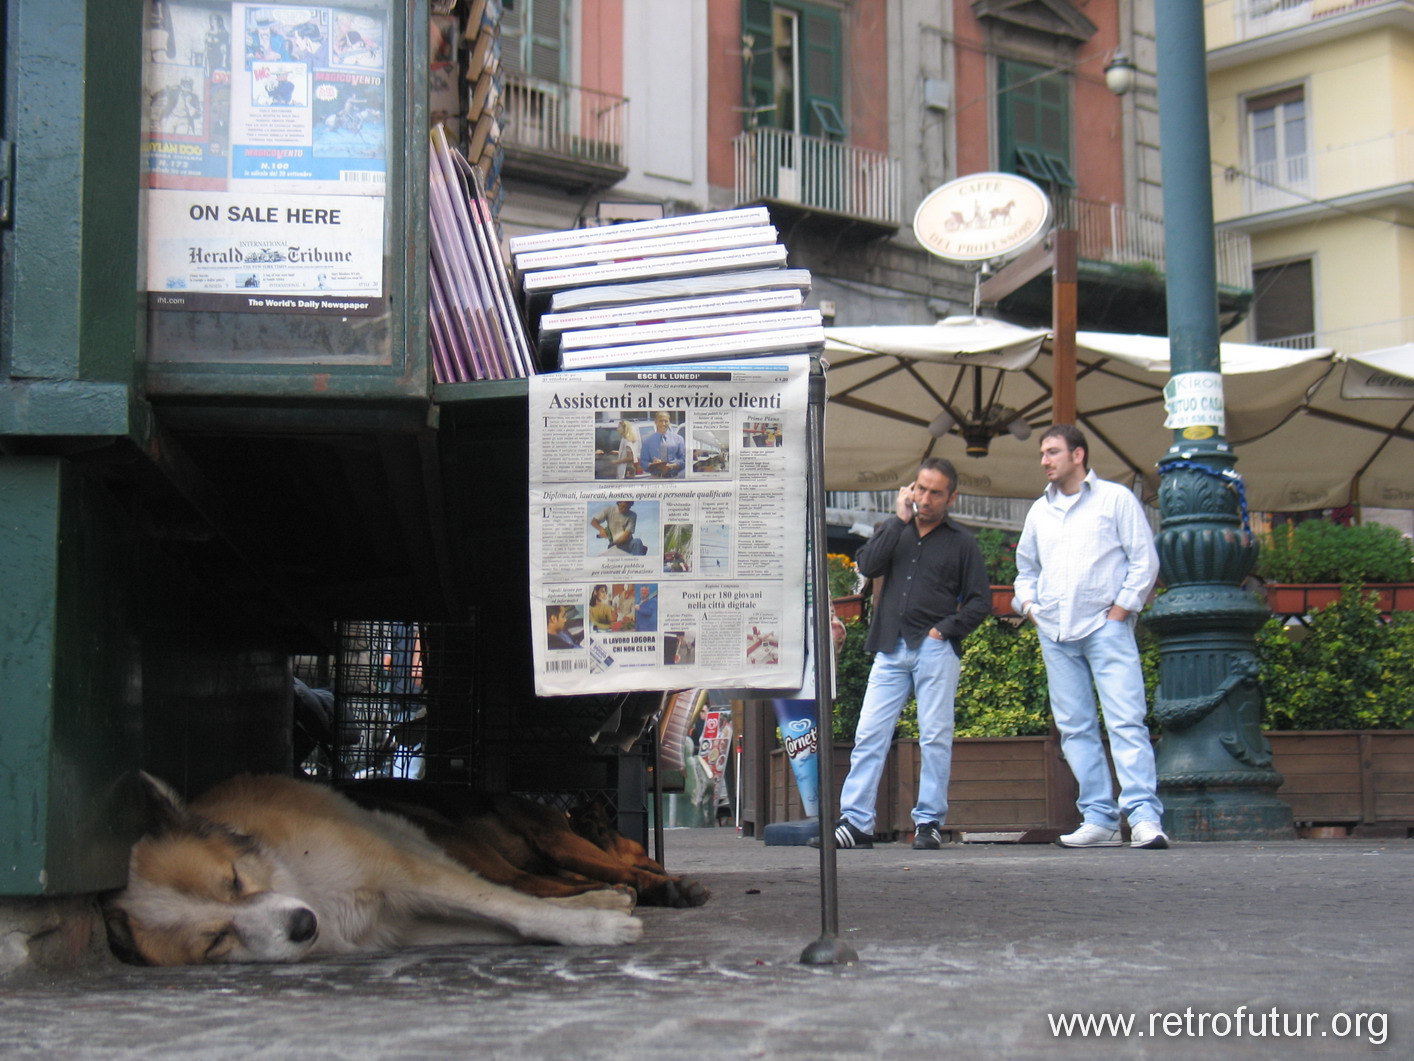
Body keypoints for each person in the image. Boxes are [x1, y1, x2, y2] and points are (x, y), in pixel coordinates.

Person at [811, 457, 990, 852]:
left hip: (935, 647)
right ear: (911, 488)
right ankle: (856, 822)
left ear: (951, 497)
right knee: (869, 734)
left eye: (935, 492)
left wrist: (944, 630)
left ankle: (928, 822)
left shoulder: (962, 542)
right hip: (890, 645)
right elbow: (868, 564)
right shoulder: (892, 531)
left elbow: (980, 602)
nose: (925, 498)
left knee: (935, 737)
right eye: (920, 488)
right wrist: (898, 519)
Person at [1013, 424, 1168, 850]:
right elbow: (1026, 570)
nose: (1044, 460)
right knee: (1075, 728)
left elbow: (1144, 560)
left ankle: (1143, 818)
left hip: (1105, 627)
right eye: (1043, 453)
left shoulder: (1115, 499)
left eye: (1052, 452)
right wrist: (1030, 608)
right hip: (1056, 632)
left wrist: (1120, 612)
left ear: (1078, 455)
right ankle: (1099, 817)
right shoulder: (1038, 512)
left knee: (1125, 721)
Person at [639, 412, 685, 478]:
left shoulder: (679, 439)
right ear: (655, 422)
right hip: (655, 479)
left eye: (666, 421)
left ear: (669, 422)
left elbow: (683, 460)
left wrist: (671, 466)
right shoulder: (647, 441)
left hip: (673, 478)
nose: (663, 424)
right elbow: (643, 462)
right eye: (660, 421)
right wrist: (653, 465)